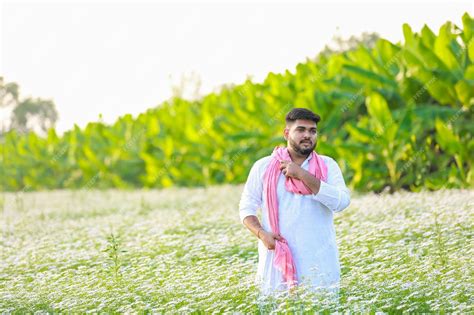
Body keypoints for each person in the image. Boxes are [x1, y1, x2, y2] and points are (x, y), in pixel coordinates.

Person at [239, 108, 351, 301]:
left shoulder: (327, 165)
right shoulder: (263, 167)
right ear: (286, 133)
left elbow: (341, 202)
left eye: (312, 131)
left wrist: (302, 174)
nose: (307, 135)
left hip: (320, 263)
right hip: (275, 263)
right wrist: (262, 234)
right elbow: (246, 208)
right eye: (301, 130)